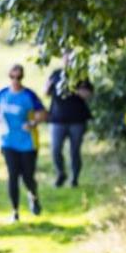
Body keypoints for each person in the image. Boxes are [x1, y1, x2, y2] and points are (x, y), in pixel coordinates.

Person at [0, 63, 47, 221]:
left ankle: (33, 196)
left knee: (27, 177)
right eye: (12, 77)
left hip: (27, 143)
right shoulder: (2, 94)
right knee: (12, 176)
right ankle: (15, 211)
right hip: (8, 142)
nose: (15, 80)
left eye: (19, 77)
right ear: (9, 76)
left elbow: (43, 114)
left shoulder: (29, 96)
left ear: (22, 77)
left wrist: (31, 123)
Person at [45, 52, 93, 187]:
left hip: (77, 119)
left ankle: (75, 178)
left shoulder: (81, 76)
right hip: (57, 119)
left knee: (75, 151)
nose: (68, 61)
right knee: (55, 149)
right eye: (66, 58)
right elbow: (46, 92)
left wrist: (74, 88)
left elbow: (88, 94)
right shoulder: (55, 74)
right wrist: (48, 87)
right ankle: (61, 173)